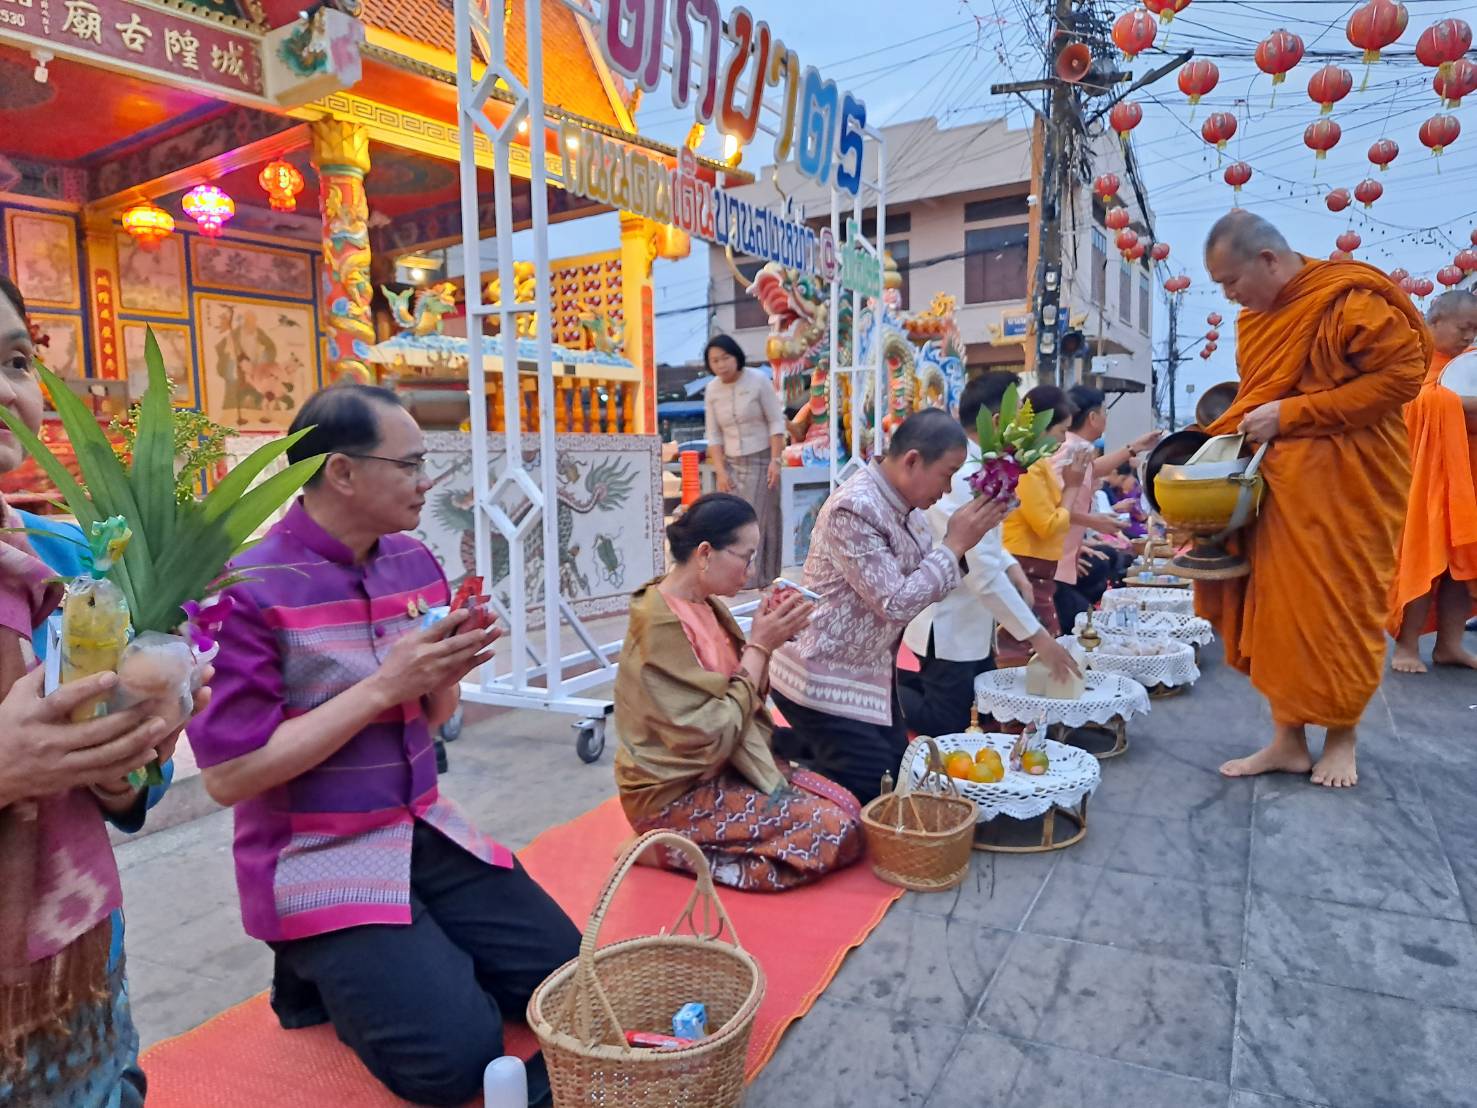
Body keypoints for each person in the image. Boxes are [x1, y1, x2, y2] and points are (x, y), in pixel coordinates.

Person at [189, 384, 577, 1107]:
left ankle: (394, 960)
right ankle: (329, 959)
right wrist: (383, 685)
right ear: (341, 472)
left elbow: (426, 721)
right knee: (456, 1067)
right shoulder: (243, 589)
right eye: (409, 464)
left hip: (419, 824)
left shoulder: (413, 562)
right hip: (317, 850)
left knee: (569, 983)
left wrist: (448, 670)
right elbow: (229, 776)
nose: (426, 480)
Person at [1, 274, 197, 1108]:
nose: (4, 388)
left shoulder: (68, 562)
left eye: (14, 359)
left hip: (76, 979)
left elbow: (128, 792)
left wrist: (126, 760)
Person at [1198, 210, 1427, 788]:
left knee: (1342, 609)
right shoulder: (1258, 321)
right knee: (1280, 612)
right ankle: (1288, 740)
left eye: (1231, 281)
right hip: (1282, 490)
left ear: (1268, 260)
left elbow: (1403, 378)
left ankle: (1342, 737)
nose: (1229, 297)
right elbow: (1260, 396)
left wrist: (1296, 414)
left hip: (1352, 486)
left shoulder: (1348, 300)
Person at [613, 493, 864, 891]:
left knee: (849, 805)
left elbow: (742, 699)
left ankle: (694, 846)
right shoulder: (659, 624)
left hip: (724, 765)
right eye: (746, 557)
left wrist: (767, 644)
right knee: (830, 832)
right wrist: (761, 647)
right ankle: (661, 848)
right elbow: (709, 733)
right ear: (706, 553)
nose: (750, 572)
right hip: (673, 791)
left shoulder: (707, 605)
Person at [768, 409, 1006, 802]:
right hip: (821, 675)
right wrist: (956, 543)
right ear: (912, 460)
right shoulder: (855, 508)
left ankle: (796, 745)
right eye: (947, 474)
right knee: (869, 793)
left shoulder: (907, 510)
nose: (948, 489)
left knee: (897, 776)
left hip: (870, 676)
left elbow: (926, 584)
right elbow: (896, 603)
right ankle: (784, 759)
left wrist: (967, 541)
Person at [900, 373, 1080, 737]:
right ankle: (884, 696)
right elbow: (980, 572)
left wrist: (1011, 567)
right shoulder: (966, 478)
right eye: (1024, 422)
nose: (1030, 433)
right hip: (948, 620)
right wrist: (1038, 638)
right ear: (997, 423)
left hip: (970, 619)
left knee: (978, 711)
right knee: (949, 722)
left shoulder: (986, 469)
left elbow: (987, 544)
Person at [1388, 289, 1477, 673]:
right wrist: (1459, 403)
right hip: (1424, 478)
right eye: (1463, 327)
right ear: (1434, 321)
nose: (1469, 337)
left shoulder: (1465, 366)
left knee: (1461, 564)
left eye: (1475, 330)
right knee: (1426, 559)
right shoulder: (1411, 358)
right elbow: (1418, 401)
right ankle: (1407, 646)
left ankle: (1450, 644)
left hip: (1467, 476)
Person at [1053, 386, 1161, 632]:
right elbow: (1053, 506)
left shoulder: (1076, 448)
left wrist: (1134, 448)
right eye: (1105, 411)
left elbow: (1094, 469)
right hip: (1054, 561)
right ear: (1092, 418)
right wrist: (1094, 522)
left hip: (1065, 556)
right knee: (1079, 627)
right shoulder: (1068, 449)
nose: (1106, 417)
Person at [997, 386, 1090, 665]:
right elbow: (1047, 526)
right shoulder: (1027, 465)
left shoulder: (1036, 461)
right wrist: (1073, 486)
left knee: (1035, 651)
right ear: (1041, 427)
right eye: (1061, 431)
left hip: (1036, 565)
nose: (1063, 440)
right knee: (1029, 654)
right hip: (1024, 564)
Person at [703, 334, 786, 587]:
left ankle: (759, 577)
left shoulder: (759, 381)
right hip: (731, 464)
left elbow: (776, 423)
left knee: (758, 520)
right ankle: (737, 575)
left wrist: (775, 461)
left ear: (736, 356)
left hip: (762, 461)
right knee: (733, 523)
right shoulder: (712, 390)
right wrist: (720, 471)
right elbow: (714, 434)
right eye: (715, 361)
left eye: (725, 358)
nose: (721, 365)